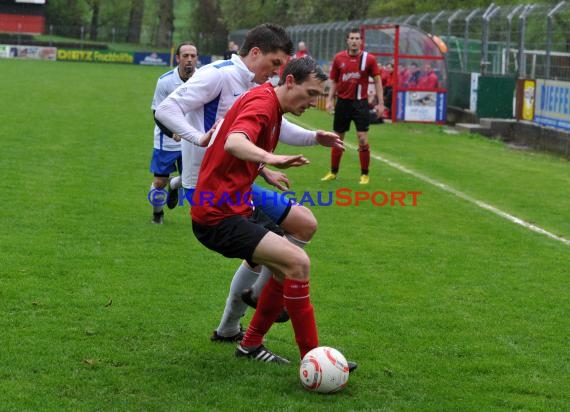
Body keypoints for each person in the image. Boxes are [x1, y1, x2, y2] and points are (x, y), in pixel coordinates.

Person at [155, 24, 330, 343]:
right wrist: (200, 139)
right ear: (255, 53)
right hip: (208, 186)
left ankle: (247, 311)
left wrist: (277, 158)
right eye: (276, 64)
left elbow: (267, 128)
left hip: (237, 182)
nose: (279, 73)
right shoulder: (218, 75)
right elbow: (167, 110)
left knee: (301, 226)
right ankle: (252, 312)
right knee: (278, 252)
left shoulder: (260, 90)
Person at [190, 57, 355, 372]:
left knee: (303, 225)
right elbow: (235, 141)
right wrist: (271, 159)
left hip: (238, 199)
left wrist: (263, 169)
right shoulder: (264, 105)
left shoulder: (271, 104)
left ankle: (252, 336)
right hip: (217, 214)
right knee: (296, 262)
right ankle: (314, 358)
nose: (312, 102)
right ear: (289, 82)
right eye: (309, 94)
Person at [321, 28, 383, 185]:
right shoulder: (338, 58)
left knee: (362, 138)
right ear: (347, 40)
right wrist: (329, 100)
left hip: (360, 103)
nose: (354, 41)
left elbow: (377, 80)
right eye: (352, 38)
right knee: (337, 138)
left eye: (357, 38)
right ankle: (333, 172)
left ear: (361, 41)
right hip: (342, 102)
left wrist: (380, 102)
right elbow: (334, 81)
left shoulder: (369, 59)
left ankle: (364, 174)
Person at [149, 42, 198, 224]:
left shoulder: (204, 78)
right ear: (178, 58)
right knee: (159, 181)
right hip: (167, 140)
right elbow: (156, 113)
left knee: (192, 182)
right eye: (185, 56)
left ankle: (174, 184)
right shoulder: (165, 81)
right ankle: (157, 214)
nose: (189, 60)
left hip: (193, 139)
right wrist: (172, 133)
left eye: (193, 56)